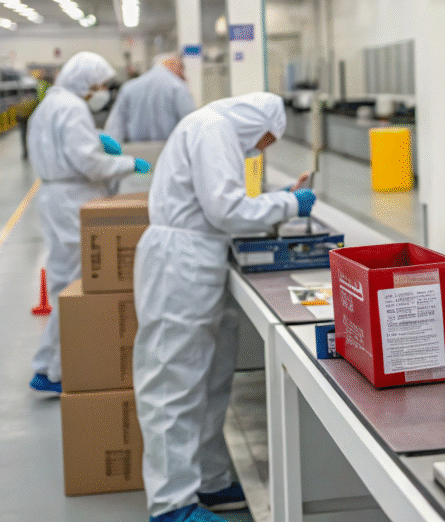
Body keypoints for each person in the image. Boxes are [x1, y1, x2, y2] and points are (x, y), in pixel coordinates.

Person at [132, 92, 315, 522]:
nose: (261, 149)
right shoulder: (215, 129)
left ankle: (209, 481)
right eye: (267, 140)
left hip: (197, 260)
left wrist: (275, 198)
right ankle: (171, 504)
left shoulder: (217, 130)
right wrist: (290, 203)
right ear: (261, 123)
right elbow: (226, 209)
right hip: (180, 263)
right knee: (173, 382)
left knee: (210, 378)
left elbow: (219, 200)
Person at [27, 52, 152, 394]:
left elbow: (66, 144)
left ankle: (49, 365)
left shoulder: (51, 105)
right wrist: (128, 163)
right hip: (72, 199)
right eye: (99, 86)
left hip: (54, 197)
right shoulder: (71, 107)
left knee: (62, 281)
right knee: (74, 283)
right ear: (85, 83)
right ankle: (54, 369)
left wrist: (95, 138)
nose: (102, 92)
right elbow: (89, 165)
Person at [104, 52, 197, 143]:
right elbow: (191, 125)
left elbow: (114, 128)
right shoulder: (177, 86)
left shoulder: (129, 87)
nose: (183, 74)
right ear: (172, 64)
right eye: (181, 68)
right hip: (169, 149)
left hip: (135, 150)